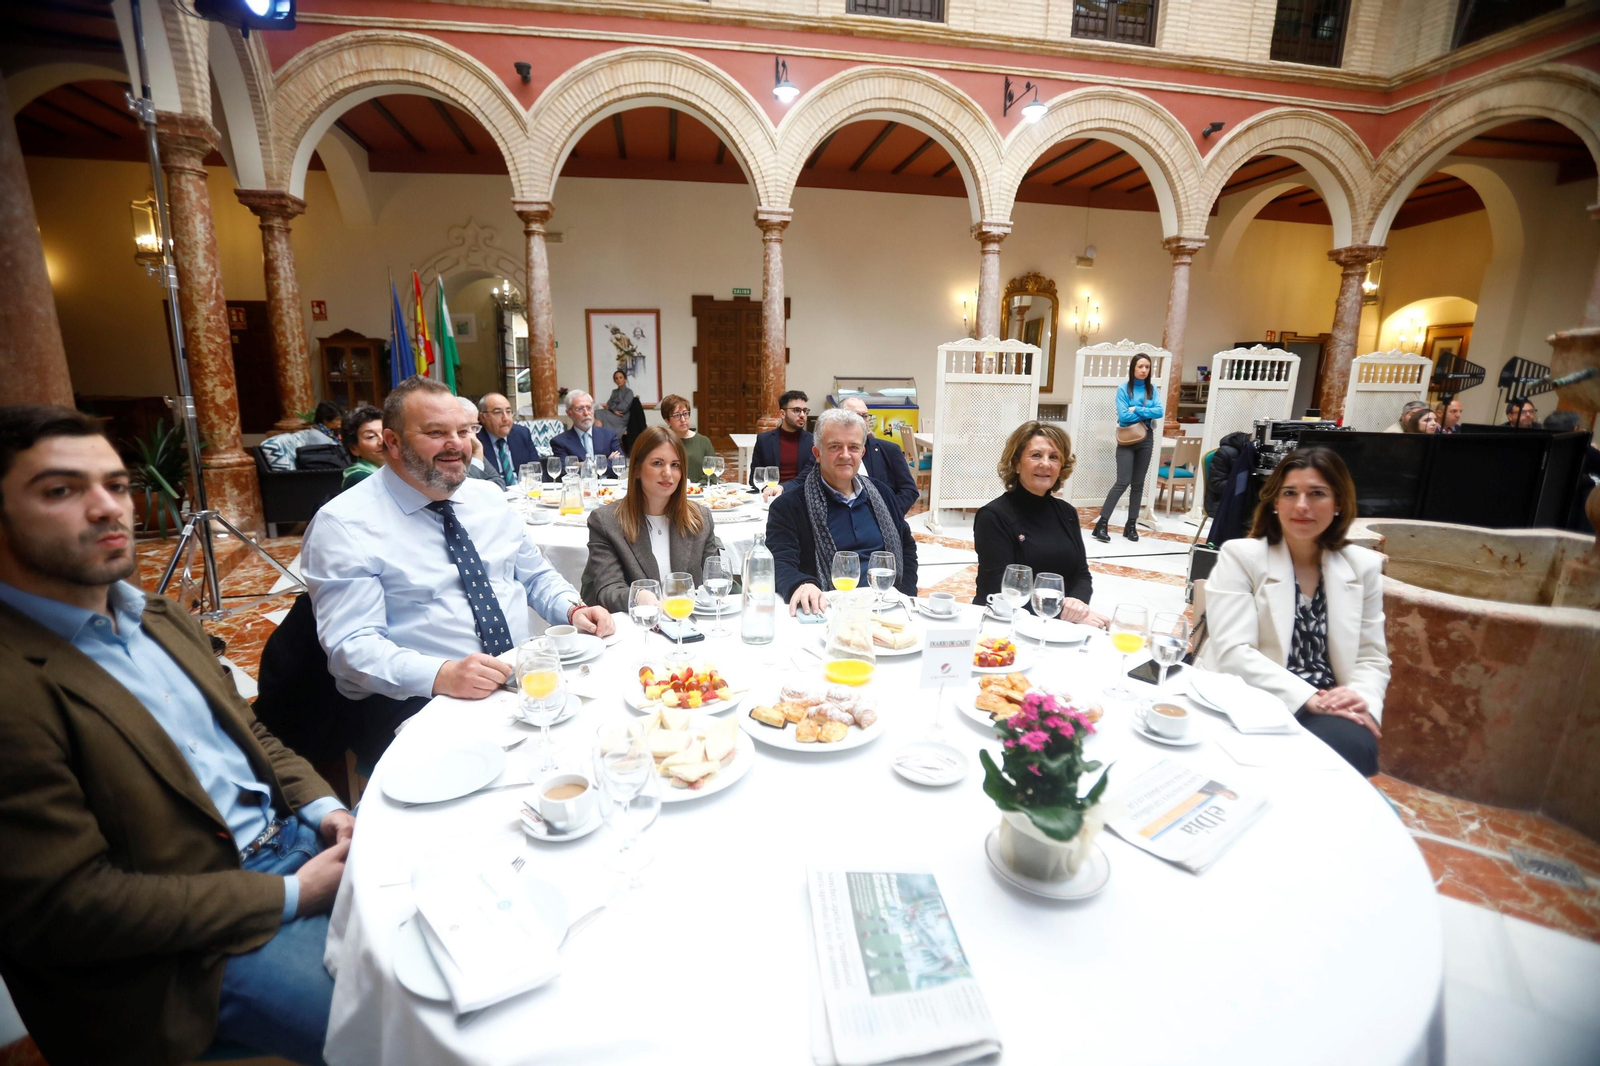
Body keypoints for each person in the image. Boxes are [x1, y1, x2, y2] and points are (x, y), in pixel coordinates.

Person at [0, 405, 352, 1066]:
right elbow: (70, 907)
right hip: (188, 950)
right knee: (403, 1024)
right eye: (60, 490)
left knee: (471, 904)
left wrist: (328, 810)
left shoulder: (158, 616)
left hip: (299, 842)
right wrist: (291, 894)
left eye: (115, 484)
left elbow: (251, 735)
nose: (109, 508)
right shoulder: (15, 683)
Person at [301, 377, 614, 769]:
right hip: (418, 702)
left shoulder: (487, 498)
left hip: (519, 681)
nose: (456, 444)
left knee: (605, 750)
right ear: (391, 443)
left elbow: (535, 576)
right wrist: (442, 675)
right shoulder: (343, 526)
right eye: (436, 433)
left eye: (463, 431)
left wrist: (572, 609)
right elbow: (352, 649)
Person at [1200, 446, 1390, 776]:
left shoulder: (1364, 567)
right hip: (1253, 694)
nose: (1302, 505)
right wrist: (1308, 697)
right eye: (1290, 493)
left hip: (1328, 703)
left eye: (1317, 494)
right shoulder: (1242, 557)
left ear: (1339, 503)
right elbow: (1234, 652)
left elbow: (1372, 657)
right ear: (1275, 502)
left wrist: (1359, 700)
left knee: (1352, 746)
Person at [766, 408, 918, 615]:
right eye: (835, 446)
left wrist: (906, 594)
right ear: (817, 453)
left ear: (862, 453)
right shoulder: (789, 506)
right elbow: (779, 562)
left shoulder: (882, 494)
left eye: (853, 447)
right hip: (826, 609)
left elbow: (906, 547)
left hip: (886, 606)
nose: (845, 455)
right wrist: (801, 584)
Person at [973, 421, 1106, 627]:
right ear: (1016, 463)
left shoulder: (1067, 512)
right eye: (1036, 455)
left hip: (1057, 624)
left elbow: (1082, 574)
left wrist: (1076, 607)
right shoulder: (993, 516)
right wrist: (1062, 611)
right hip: (1004, 626)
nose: (1045, 464)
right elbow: (1000, 589)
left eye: (1054, 457)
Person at [582, 426, 724, 613]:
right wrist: (637, 596)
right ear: (637, 469)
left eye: (675, 465)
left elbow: (714, 579)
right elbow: (608, 589)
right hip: (638, 627)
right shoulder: (606, 521)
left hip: (690, 624)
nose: (668, 473)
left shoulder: (700, 518)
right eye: (657, 463)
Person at [1093, 352, 1163, 543]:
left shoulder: (1152, 389)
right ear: (1133, 368)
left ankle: (1131, 525)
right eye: (1140, 366)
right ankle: (1102, 523)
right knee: (1122, 482)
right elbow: (1123, 417)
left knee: (1138, 484)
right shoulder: (1124, 389)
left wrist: (1136, 410)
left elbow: (1159, 411)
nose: (1144, 370)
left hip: (1146, 439)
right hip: (1126, 441)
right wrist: (1144, 414)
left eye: (1147, 367)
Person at [840, 396, 919, 515]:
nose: (862, 421)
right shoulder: (831, 452)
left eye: (865, 416)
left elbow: (909, 490)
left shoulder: (889, 450)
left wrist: (888, 513)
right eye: (856, 416)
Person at [751, 389, 814, 490]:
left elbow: (809, 477)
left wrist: (782, 488)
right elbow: (756, 477)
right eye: (797, 410)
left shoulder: (813, 441)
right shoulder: (764, 440)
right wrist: (770, 490)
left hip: (801, 496)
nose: (802, 415)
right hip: (770, 495)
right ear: (782, 414)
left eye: (805, 411)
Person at [476, 391, 540, 486]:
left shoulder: (522, 434)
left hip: (523, 493)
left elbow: (536, 471)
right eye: (498, 413)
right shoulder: (476, 440)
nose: (506, 418)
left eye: (508, 412)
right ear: (483, 417)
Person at [551, 390, 622, 465]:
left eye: (589, 408)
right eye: (580, 409)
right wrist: (605, 462)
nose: (586, 413)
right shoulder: (560, 442)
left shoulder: (609, 435)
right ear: (569, 413)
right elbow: (563, 471)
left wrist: (583, 465)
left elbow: (620, 464)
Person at [659, 393, 717, 481]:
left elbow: (712, 473)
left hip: (700, 491)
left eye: (685, 414)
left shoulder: (703, 441)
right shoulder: (662, 442)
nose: (683, 420)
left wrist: (697, 488)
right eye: (677, 415)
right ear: (667, 421)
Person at [339, 402, 385, 491]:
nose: (382, 441)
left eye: (384, 433)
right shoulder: (358, 478)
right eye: (371, 437)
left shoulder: (392, 470)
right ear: (354, 448)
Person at [598, 369, 634, 437]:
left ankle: (599, 441)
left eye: (621, 377)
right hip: (613, 414)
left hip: (622, 417)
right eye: (616, 378)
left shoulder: (629, 392)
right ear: (615, 381)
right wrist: (614, 410)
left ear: (625, 379)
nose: (618, 380)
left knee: (599, 414)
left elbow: (622, 408)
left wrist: (613, 407)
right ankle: (599, 441)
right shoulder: (614, 392)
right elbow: (608, 404)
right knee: (596, 413)